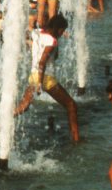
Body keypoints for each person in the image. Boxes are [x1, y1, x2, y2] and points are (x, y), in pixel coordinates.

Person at [13, 14, 80, 142]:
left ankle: (1, 124)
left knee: (24, 106)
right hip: (45, 78)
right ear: (58, 28)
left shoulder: (37, 33)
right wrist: (39, 83)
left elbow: (27, 37)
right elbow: (42, 62)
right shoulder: (52, 41)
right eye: (62, 30)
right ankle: (76, 139)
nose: (62, 32)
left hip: (33, 75)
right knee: (71, 105)